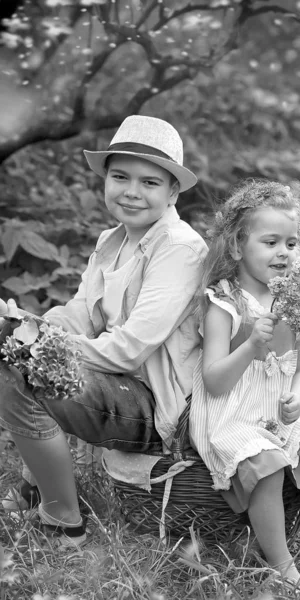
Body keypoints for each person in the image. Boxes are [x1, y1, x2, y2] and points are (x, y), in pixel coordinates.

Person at [0, 115, 208, 546]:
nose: (132, 191)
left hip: (155, 406)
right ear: (106, 180)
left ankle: (64, 520)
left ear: (173, 191)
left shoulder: (180, 250)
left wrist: (37, 345)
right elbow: (80, 314)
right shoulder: (112, 240)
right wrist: (25, 327)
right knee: (10, 351)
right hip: (116, 385)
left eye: (150, 182)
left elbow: (129, 350)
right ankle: (35, 485)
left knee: (17, 372)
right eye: (120, 177)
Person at [189, 179, 300, 599]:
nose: (284, 253)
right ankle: (283, 566)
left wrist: (298, 398)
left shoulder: (292, 303)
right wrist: (251, 344)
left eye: (291, 243)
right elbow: (215, 381)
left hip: (275, 413)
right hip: (230, 417)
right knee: (268, 463)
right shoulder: (223, 304)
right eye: (270, 242)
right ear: (236, 247)